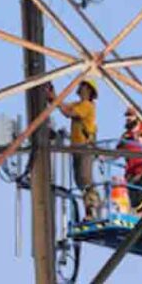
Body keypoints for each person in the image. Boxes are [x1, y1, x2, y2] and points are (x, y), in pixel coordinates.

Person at [54, 78, 100, 220]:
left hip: (85, 147)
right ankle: (89, 210)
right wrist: (54, 97)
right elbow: (65, 108)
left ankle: (93, 209)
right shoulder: (79, 104)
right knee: (79, 181)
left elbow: (69, 113)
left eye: (83, 86)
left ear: (88, 90)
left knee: (85, 178)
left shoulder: (87, 106)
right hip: (77, 147)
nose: (80, 88)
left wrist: (55, 100)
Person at [117, 107, 142, 212]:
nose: (128, 118)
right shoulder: (126, 136)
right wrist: (103, 157)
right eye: (127, 116)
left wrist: (141, 138)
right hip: (131, 173)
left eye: (130, 116)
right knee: (134, 200)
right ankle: (139, 215)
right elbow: (117, 152)